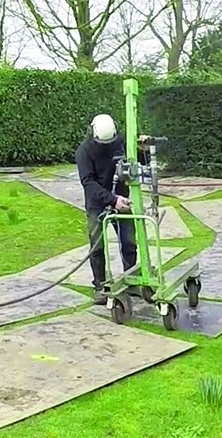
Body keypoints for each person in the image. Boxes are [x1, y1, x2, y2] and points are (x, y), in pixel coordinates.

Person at [75, 113, 138, 305]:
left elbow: (134, 159)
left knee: (129, 241)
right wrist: (111, 200)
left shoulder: (119, 142)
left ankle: (132, 279)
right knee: (97, 245)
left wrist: (141, 147)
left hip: (122, 199)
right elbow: (88, 183)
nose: (106, 146)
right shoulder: (84, 152)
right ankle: (100, 285)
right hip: (97, 202)